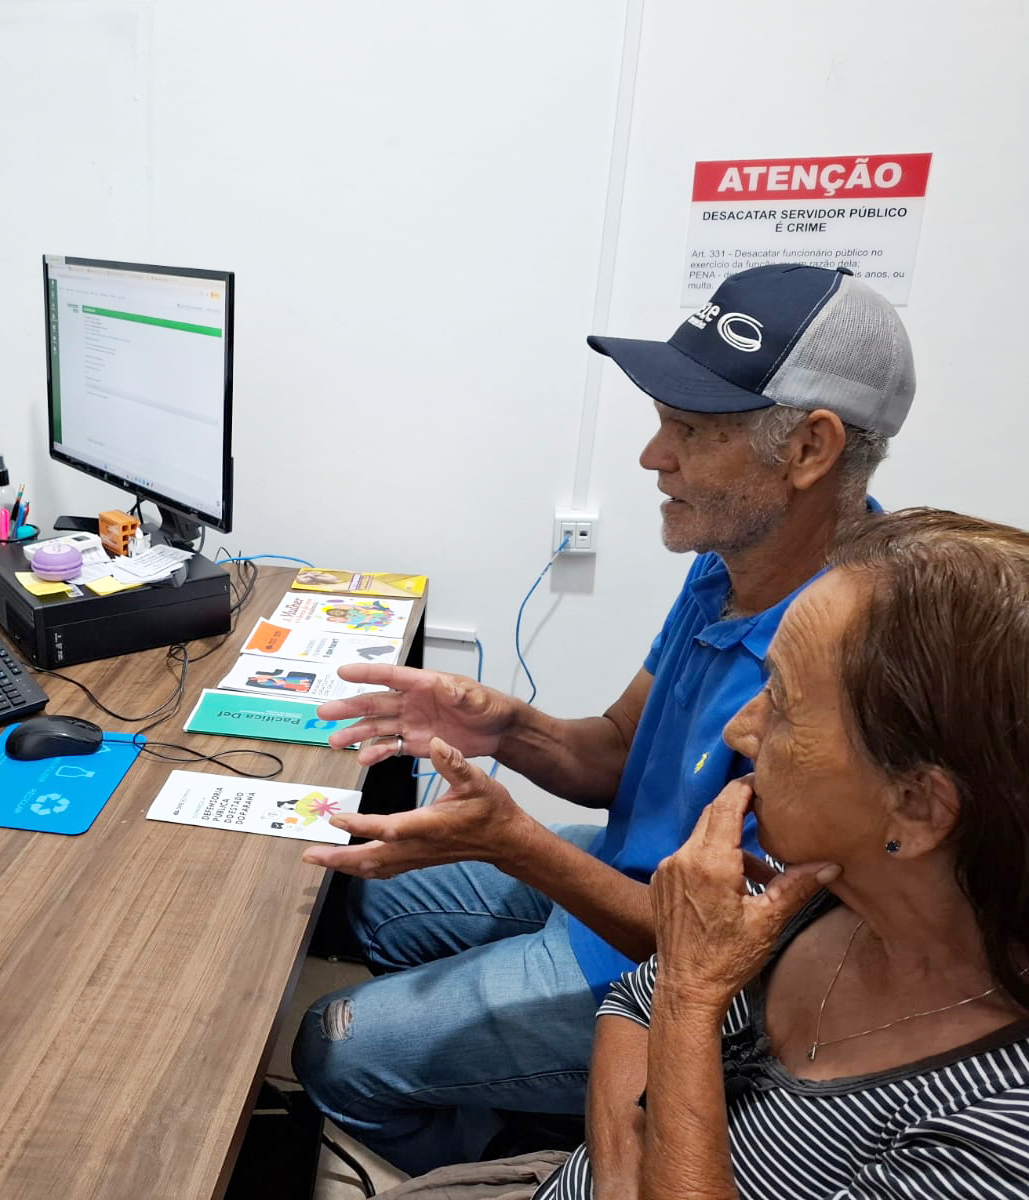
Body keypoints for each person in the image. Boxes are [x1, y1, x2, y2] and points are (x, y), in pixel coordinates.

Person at [291, 264, 917, 1174]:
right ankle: (510, 1106)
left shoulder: (841, 660)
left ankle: (509, 1160)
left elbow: (717, 956)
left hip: (672, 970)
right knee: (363, 900)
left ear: (810, 450)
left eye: (690, 430)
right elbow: (620, 751)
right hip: (622, 881)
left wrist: (514, 843)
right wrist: (503, 729)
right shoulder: (731, 558)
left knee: (333, 1047)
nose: (651, 456)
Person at [520, 508, 1029, 1199]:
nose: (740, 727)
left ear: (916, 806)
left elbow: (664, 999)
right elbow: (634, 1005)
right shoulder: (824, 890)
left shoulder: (997, 1130)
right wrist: (614, 1173)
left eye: (783, 704)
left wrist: (692, 995)